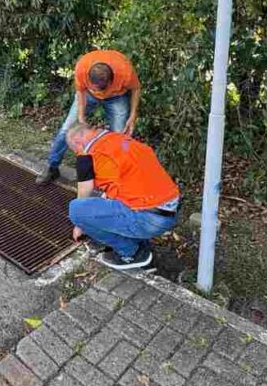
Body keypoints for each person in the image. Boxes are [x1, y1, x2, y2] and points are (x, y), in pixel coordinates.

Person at [66, 123, 180, 271]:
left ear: (78, 142)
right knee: (109, 200)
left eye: (75, 151)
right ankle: (142, 246)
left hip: (149, 218)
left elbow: (84, 193)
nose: (78, 154)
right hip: (170, 209)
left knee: (76, 210)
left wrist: (80, 224)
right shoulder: (119, 139)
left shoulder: (87, 155)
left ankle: (131, 253)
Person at [35, 49, 141, 185]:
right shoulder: (82, 68)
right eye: (94, 87)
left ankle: (119, 175)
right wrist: (80, 117)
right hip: (87, 95)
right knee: (67, 128)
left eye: (100, 89)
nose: (99, 92)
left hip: (116, 97)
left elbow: (136, 89)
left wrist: (132, 116)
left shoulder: (125, 70)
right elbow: (80, 91)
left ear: (111, 81)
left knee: (121, 135)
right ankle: (52, 167)